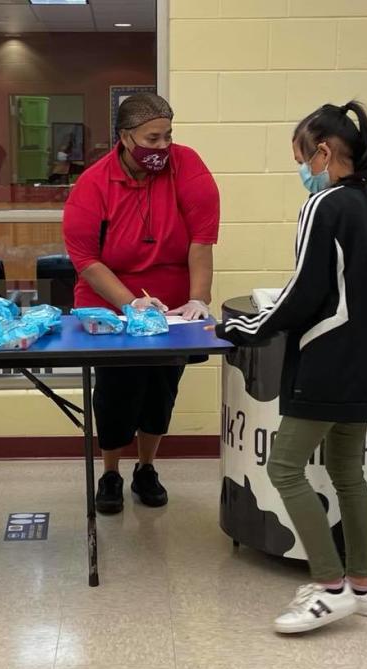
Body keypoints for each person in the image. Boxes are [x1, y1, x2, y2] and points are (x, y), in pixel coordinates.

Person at [217, 101, 367, 634]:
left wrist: (245, 329)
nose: (302, 171)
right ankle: (363, 587)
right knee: (348, 472)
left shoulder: (324, 205)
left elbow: (304, 291)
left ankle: (329, 588)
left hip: (328, 362)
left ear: (324, 153)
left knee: (284, 467)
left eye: (302, 158)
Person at [63, 93, 220, 512]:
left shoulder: (187, 166)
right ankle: (111, 472)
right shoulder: (94, 183)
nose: (162, 147)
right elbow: (86, 261)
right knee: (117, 392)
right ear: (126, 137)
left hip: (171, 309)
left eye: (168, 136)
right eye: (152, 138)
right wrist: (131, 304)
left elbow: (202, 241)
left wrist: (197, 300)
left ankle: (146, 468)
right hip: (110, 304)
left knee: (160, 389)